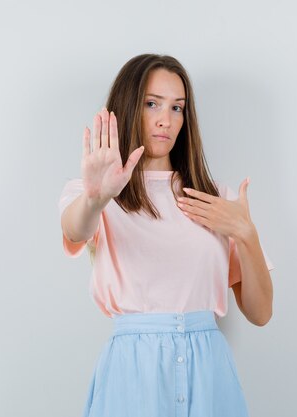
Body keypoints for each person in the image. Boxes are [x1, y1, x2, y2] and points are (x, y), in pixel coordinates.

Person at [58, 54, 275, 417]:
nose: (166, 119)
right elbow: (75, 228)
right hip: (132, 371)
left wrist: (246, 234)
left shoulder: (217, 198)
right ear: (128, 106)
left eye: (178, 108)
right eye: (152, 103)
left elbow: (260, 313)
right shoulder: (94, 194)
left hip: (209, 372)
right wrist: (96, 199)